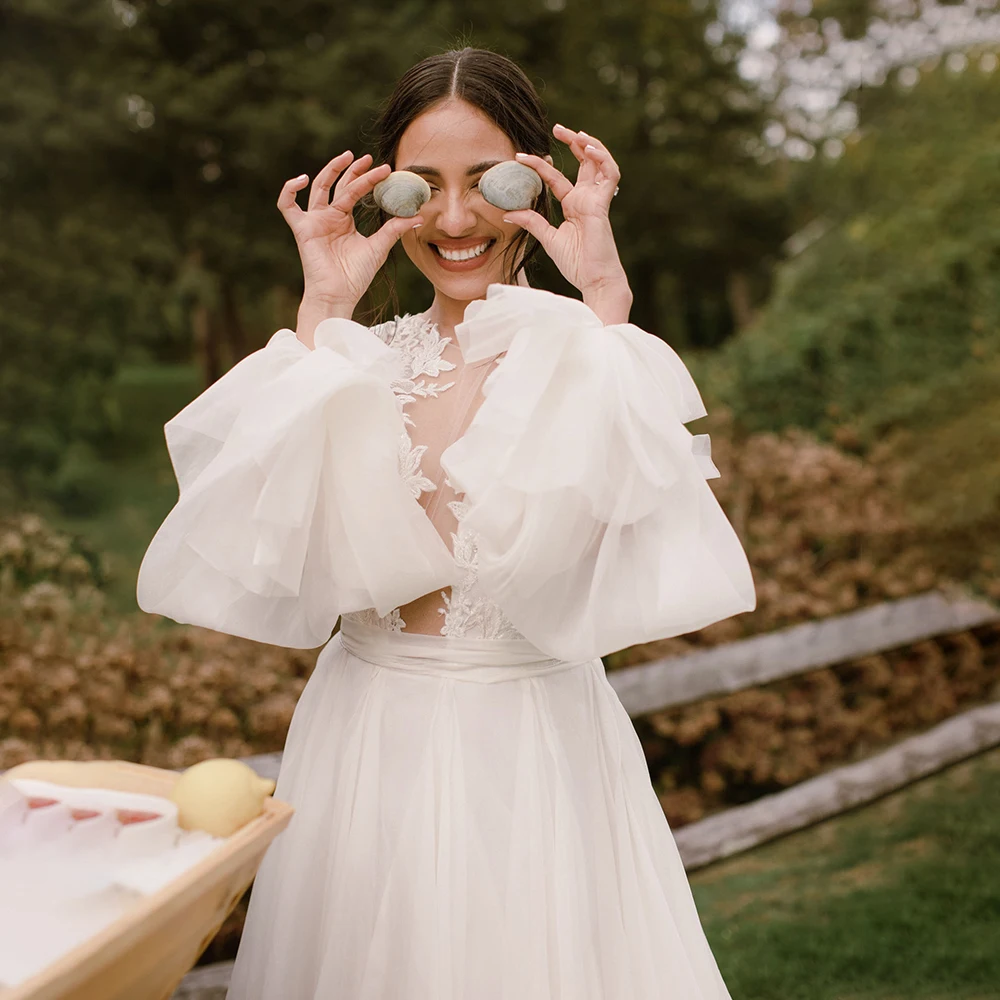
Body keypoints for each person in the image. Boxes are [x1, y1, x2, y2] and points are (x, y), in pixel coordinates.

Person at [137, 47, 757, 1000]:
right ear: (386, 195)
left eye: (489, 182)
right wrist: (323, 315)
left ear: (537, 187)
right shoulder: (352, 361)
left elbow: (643, 560)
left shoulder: (584, 355)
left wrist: (605, 312)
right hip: (361, 741)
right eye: (423, 187)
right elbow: (256, 553)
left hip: (533, 747)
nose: (456, 218)